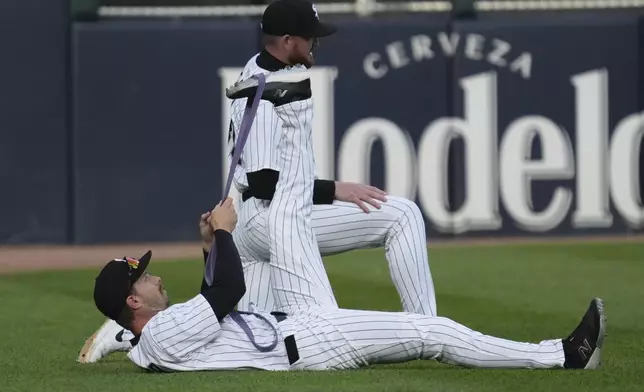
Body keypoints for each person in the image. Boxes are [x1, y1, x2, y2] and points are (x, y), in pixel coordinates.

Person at [87, 198, 606, 372]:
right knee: (434, 332)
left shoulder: (150, 339)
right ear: (134, 301)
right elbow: (223, 295)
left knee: (264, 237)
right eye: (144, 277)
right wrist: (221, 231)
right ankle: (562, 355)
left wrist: (213, 244)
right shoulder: (160, 334)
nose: (154, 276)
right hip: (309, 342)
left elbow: (214, 301)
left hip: (287, 318)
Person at [227, 0, 437, 319]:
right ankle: (427, 327)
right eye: (310, 36)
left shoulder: (263, 66)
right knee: (403, 215)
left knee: (256, 336)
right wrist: (334, 189)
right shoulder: (265, 91)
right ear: (288, 41)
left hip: (257, 218)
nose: (316, 42)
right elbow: (263, 182)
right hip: (267, 218)